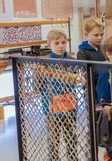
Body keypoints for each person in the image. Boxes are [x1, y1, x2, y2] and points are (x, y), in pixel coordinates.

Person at [41, 29, 77, 161]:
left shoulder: (73, 61)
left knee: (71, 138)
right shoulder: (43, 63)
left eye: (63, 42)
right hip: (52, 109)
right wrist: (47, 103)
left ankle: (73, 158)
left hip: (70, 107)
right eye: (57, 43)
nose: (61, 46)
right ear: (48, 44)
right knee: (53, 140)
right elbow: (39, 87)